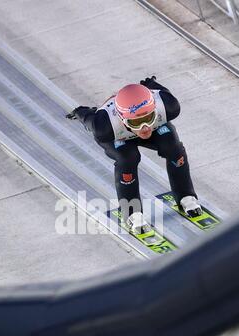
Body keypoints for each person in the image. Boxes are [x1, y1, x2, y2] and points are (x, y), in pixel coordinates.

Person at [67, 76, 202, 235]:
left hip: (150, 128)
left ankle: (186, 196)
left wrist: (149, 84)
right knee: (127, 158)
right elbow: (89, 119)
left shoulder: (169, 105)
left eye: (148, 118)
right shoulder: (104, 126)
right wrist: (82, 112)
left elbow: (160, 91)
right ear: (123, 119)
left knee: (173, 148)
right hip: (119, 135)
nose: (144, 127)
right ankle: (132, 213)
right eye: (137, 122)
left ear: (155, 110)